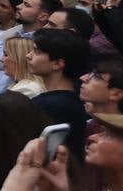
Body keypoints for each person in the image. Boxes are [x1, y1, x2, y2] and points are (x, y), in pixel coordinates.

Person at [29, 27, 91, 156]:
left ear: (57, 64)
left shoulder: (51, 105)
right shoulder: (71, 100)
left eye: (36, 51)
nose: (28, 56)